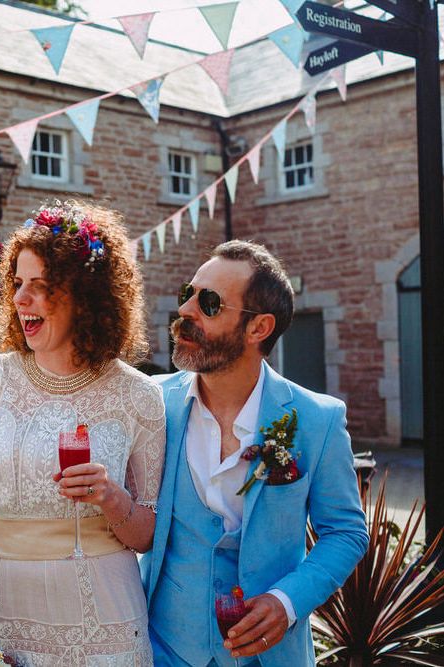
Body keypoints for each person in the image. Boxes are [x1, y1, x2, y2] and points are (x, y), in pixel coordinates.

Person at [0, 200, 166, 666]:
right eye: (17, 284)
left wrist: (111, 497)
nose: (20, 299)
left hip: (103, 619)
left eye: (40, 286)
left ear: (88, 295)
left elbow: (147, 535)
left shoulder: (138, 396)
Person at [140, 239, 369, 666]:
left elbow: (345, 532)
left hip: (271, 657)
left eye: (208, 302)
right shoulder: (151, 404)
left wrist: (286, 601)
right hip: (162, 650)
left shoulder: (316, 419)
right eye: (186, 295)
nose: (185, 311)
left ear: (258, 328)